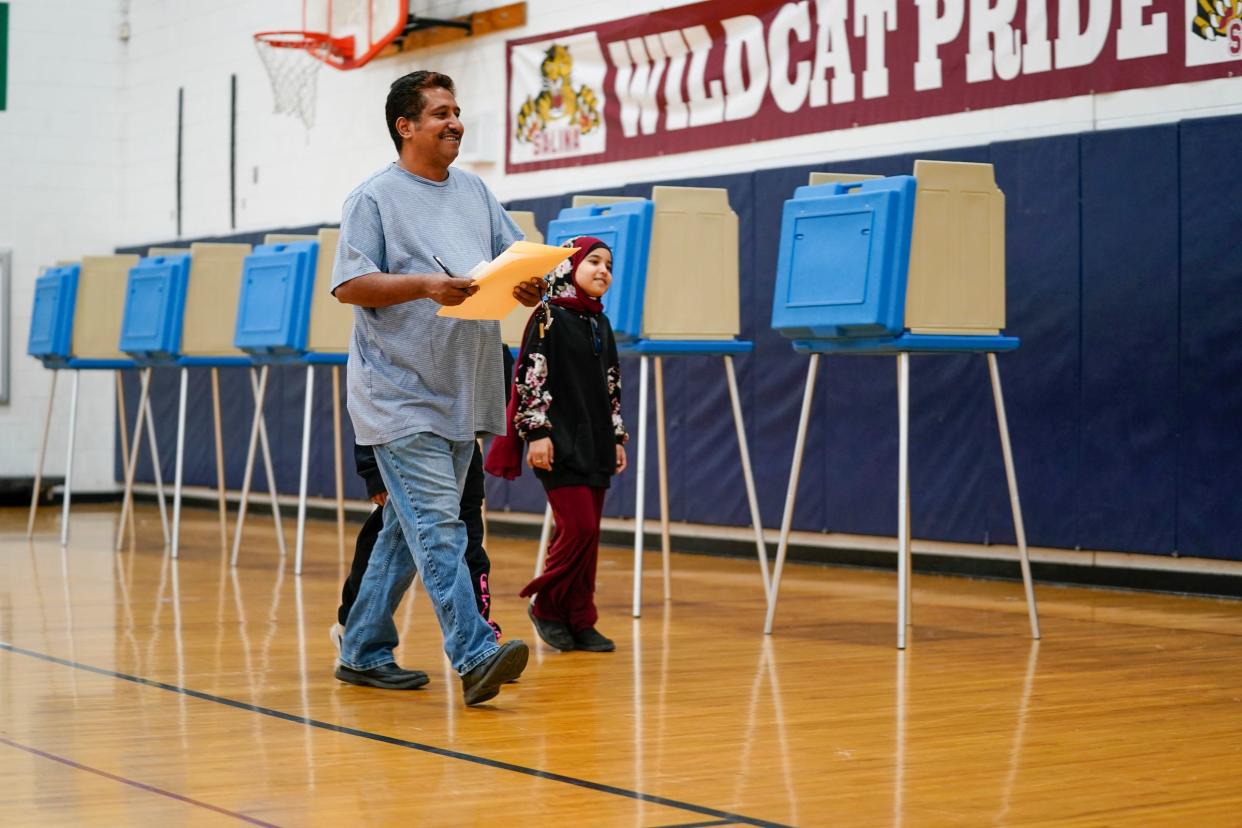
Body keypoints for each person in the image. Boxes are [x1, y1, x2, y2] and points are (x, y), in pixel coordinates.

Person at [331, 69, 539, 706]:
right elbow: (350, 285)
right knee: (441, 527)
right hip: (398, 394)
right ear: (406, 126)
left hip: (463, 390)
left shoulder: (475, 191)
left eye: (457, 110)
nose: (456, 122)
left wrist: (527, 284)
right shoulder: (373, 200)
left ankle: (363, 649)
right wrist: (424, 284)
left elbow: (511, 257)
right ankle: (474, 652)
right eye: (442, 112)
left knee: (406, 526)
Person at [485, 237, 627, 653]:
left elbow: (612, 385)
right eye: (593, 262)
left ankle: (581, 618)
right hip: (558, 440)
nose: (603, 270)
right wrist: (537, 432)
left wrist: (617, 436)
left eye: (609, 264)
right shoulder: (548, 316)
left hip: (598, 441)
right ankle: (546, 604)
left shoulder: (600, 322)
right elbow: (529, 377)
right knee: (577, 527)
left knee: (589, 535)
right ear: (570, 267)